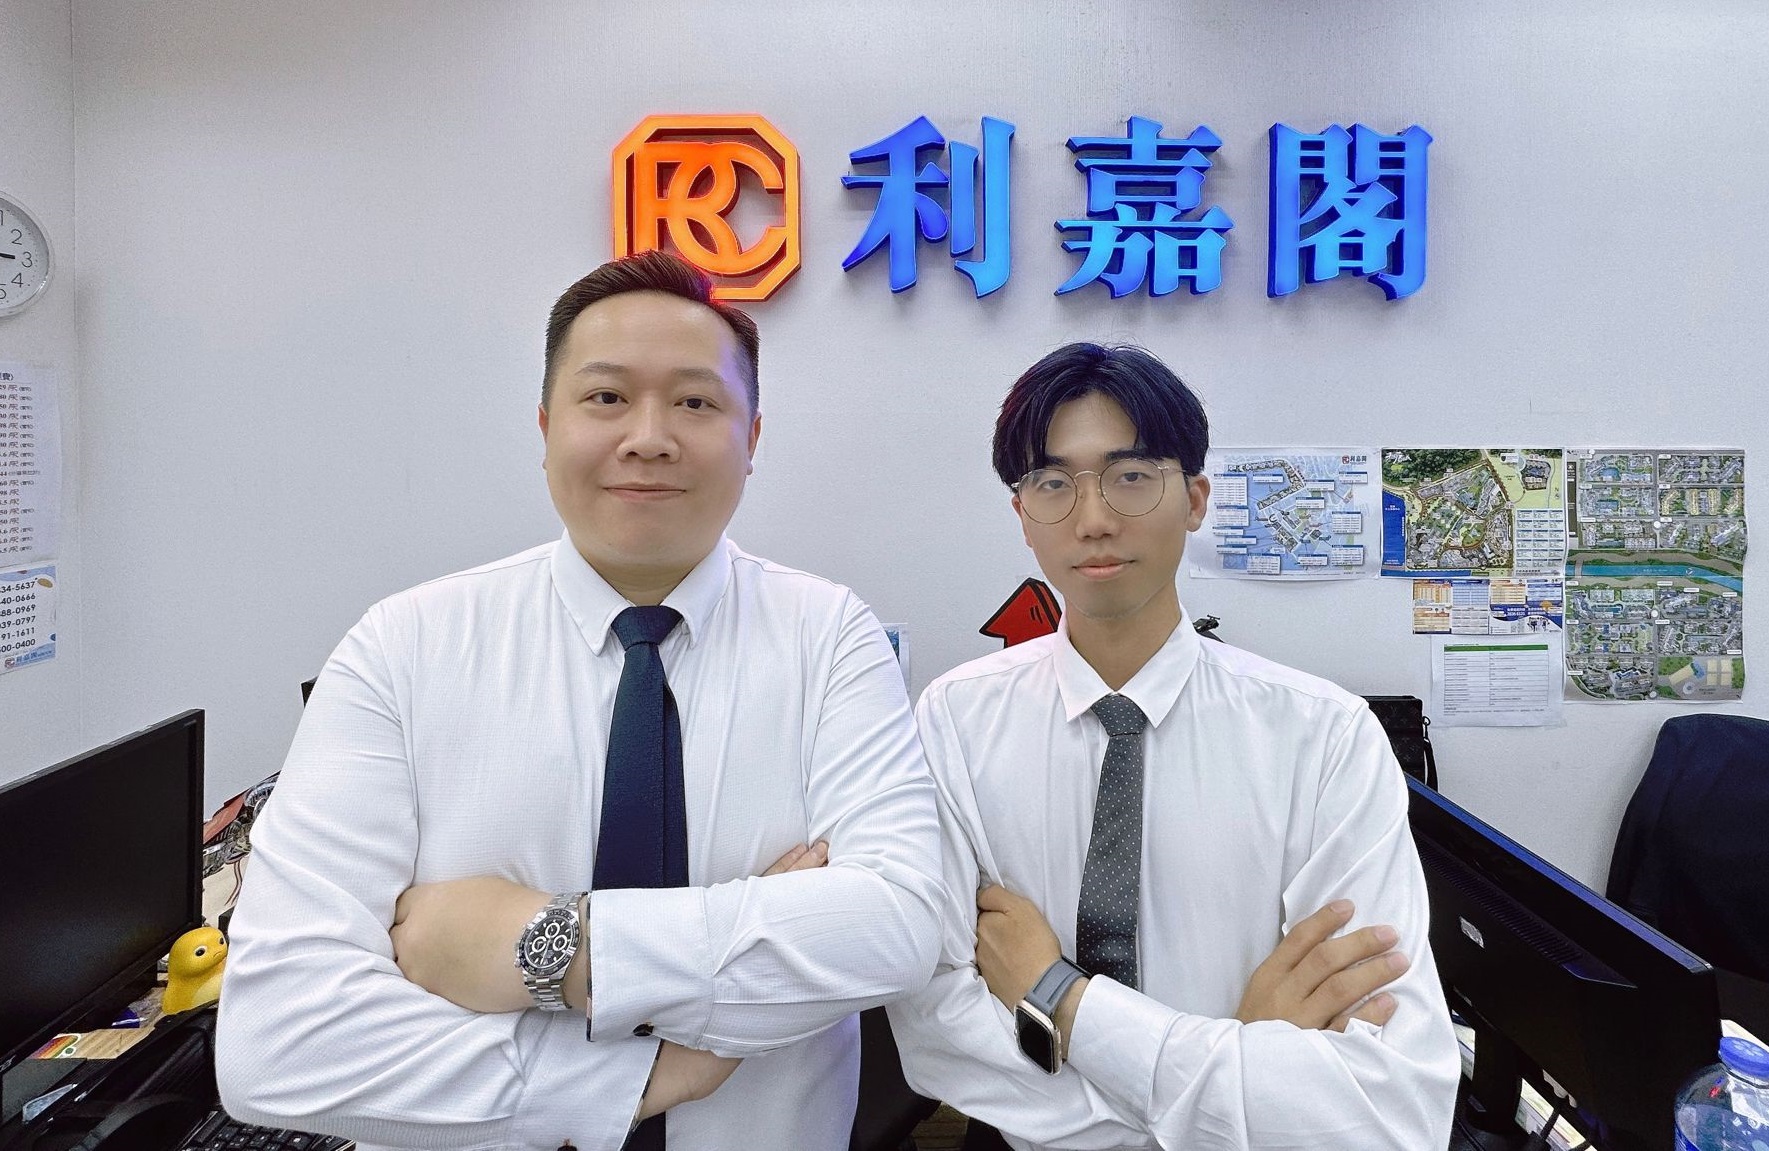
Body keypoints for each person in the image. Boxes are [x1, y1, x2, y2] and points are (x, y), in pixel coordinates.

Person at [216, 251, 944, 1151]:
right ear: (546, 425)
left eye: (696, 403)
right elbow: (280, 1041)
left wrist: (541, 942)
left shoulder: (829, 636)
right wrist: (639, 1076)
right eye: (606, 397)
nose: (649, 436)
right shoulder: (402, 646)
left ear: (752, 437)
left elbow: (899, 925)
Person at [886, 343, 1461, 1150]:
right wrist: (1228, 1079)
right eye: (1052, 483)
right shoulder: (954, 720)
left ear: (1194, 498)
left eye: (1129, 476)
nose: (1091, 518)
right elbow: (937, 1029)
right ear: (1021, 514)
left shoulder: (1323, 738)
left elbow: (1389, 1109)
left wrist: (1060, 998)